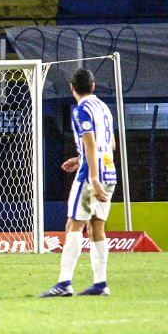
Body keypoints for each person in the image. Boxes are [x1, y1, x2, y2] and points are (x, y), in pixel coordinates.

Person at [40, 68, 116, 298]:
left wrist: (92, 175)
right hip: (109, 170)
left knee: (74, 225)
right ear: (93, 86)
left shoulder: (81, 109)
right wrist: (80, 157)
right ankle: (101, 284)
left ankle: (64, 283)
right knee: (96, 226)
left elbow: (90, 142)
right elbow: (110, 144)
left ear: (72, 89)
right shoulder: (103, 108)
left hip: (91, 175)